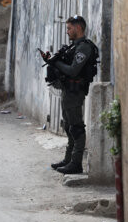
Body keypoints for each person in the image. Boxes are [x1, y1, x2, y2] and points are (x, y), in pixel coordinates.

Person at [42, 15, 98, 174]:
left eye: (69, 28)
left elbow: (74, 70)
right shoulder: (74, 46)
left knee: (76, 127)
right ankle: (68, 159)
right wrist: (53, 61)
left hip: (75, 91)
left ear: (78, 28)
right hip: (68, 91)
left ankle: (76, 163)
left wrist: (56, 63)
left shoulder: (84, 47)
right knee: (68, 125)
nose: (67, 31)